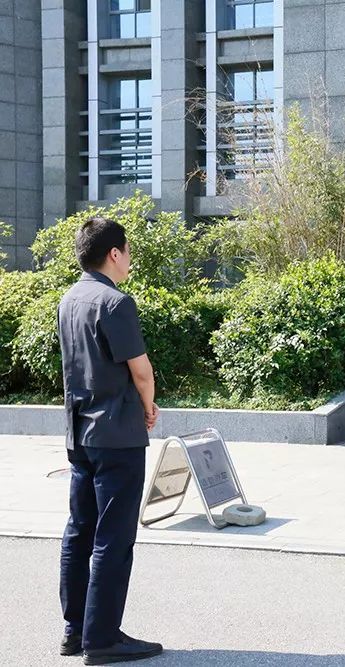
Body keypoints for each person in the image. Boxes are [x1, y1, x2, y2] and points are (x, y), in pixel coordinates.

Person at [57, 217, 163, 664]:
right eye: (128, 250)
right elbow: (140, 369)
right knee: (112, 539)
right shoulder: (115, 302)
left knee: (79, 530)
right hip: (117, 433)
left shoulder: (69, 298)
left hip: (79, 432)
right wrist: (149, 406)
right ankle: (102, 640)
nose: (130, 259)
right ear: (114, 254)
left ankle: (75, 630)